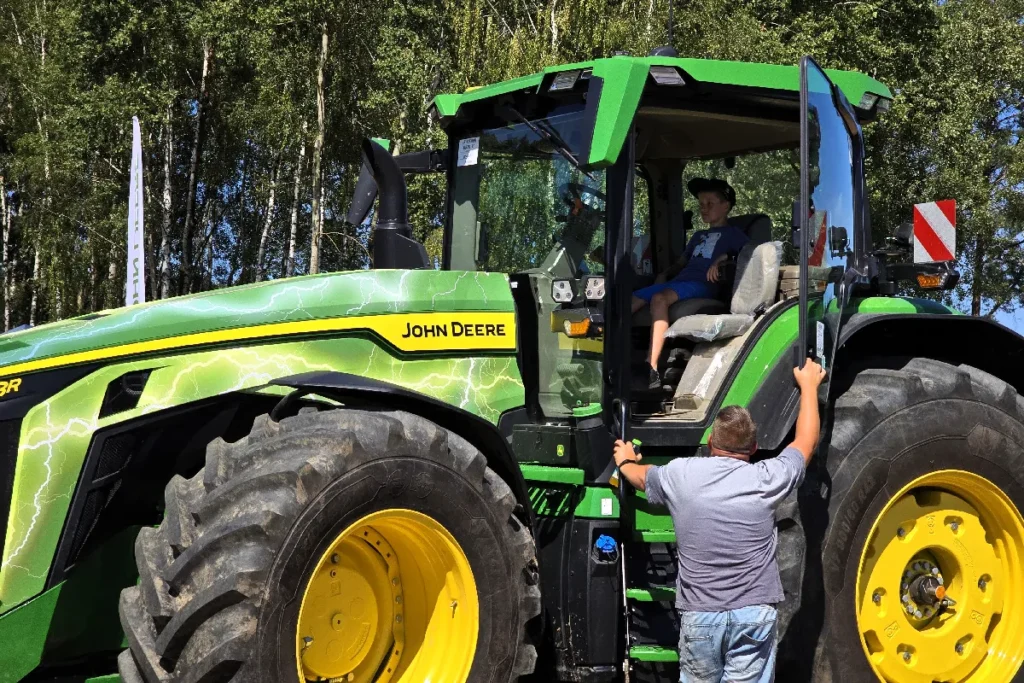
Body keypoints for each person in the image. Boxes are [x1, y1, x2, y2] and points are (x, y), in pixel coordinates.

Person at [612, 359, 827, 683]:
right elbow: (805, 443)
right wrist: (809, 387)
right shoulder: (766, 479)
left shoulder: (681, 475)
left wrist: (626, 459)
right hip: (753, 616)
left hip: (702, 616)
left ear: (711, 443)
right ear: (754, 448)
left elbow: (639, 477)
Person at [632, 178, 749, 390]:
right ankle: (613, 356)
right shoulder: (698, 235)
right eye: (701, 204)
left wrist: (723, 257)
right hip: (681, 282)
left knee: (659, 299)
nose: (704, 208)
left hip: (703, 285)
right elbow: (681, 262)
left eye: (710, 203)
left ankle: (651, 367)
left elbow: (747, 254)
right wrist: (664, 275)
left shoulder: (733, 235)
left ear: (726, 206)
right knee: (631, 300)